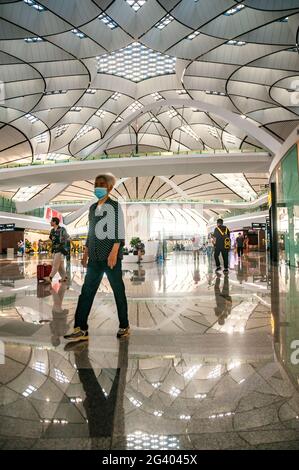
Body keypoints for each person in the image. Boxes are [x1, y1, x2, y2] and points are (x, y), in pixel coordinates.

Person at [64, 173, 130, 342]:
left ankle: (124, 326)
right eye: (96, 184)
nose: (97, 187)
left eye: (101, 184)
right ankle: (81, 329)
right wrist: (85, 252)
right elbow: (91, 231)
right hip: (94, 257)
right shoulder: (93, 208)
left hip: (110, 257)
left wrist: (114, 252)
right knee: (86, 292)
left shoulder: (114, 206)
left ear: (109, 187)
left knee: (118, 291)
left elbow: (119, 230)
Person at [43, 217, 68, 283]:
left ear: (54, 222)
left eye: (51, 221)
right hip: (54, 249)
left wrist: (62, 245)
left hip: (60, 249)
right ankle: (64, 277)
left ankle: (50, 278)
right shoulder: (52, 230)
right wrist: (44, 241)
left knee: (55, 264)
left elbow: (66, 238)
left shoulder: (62, 229)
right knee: (60, 266)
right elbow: (51, 239)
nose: (50, 222)